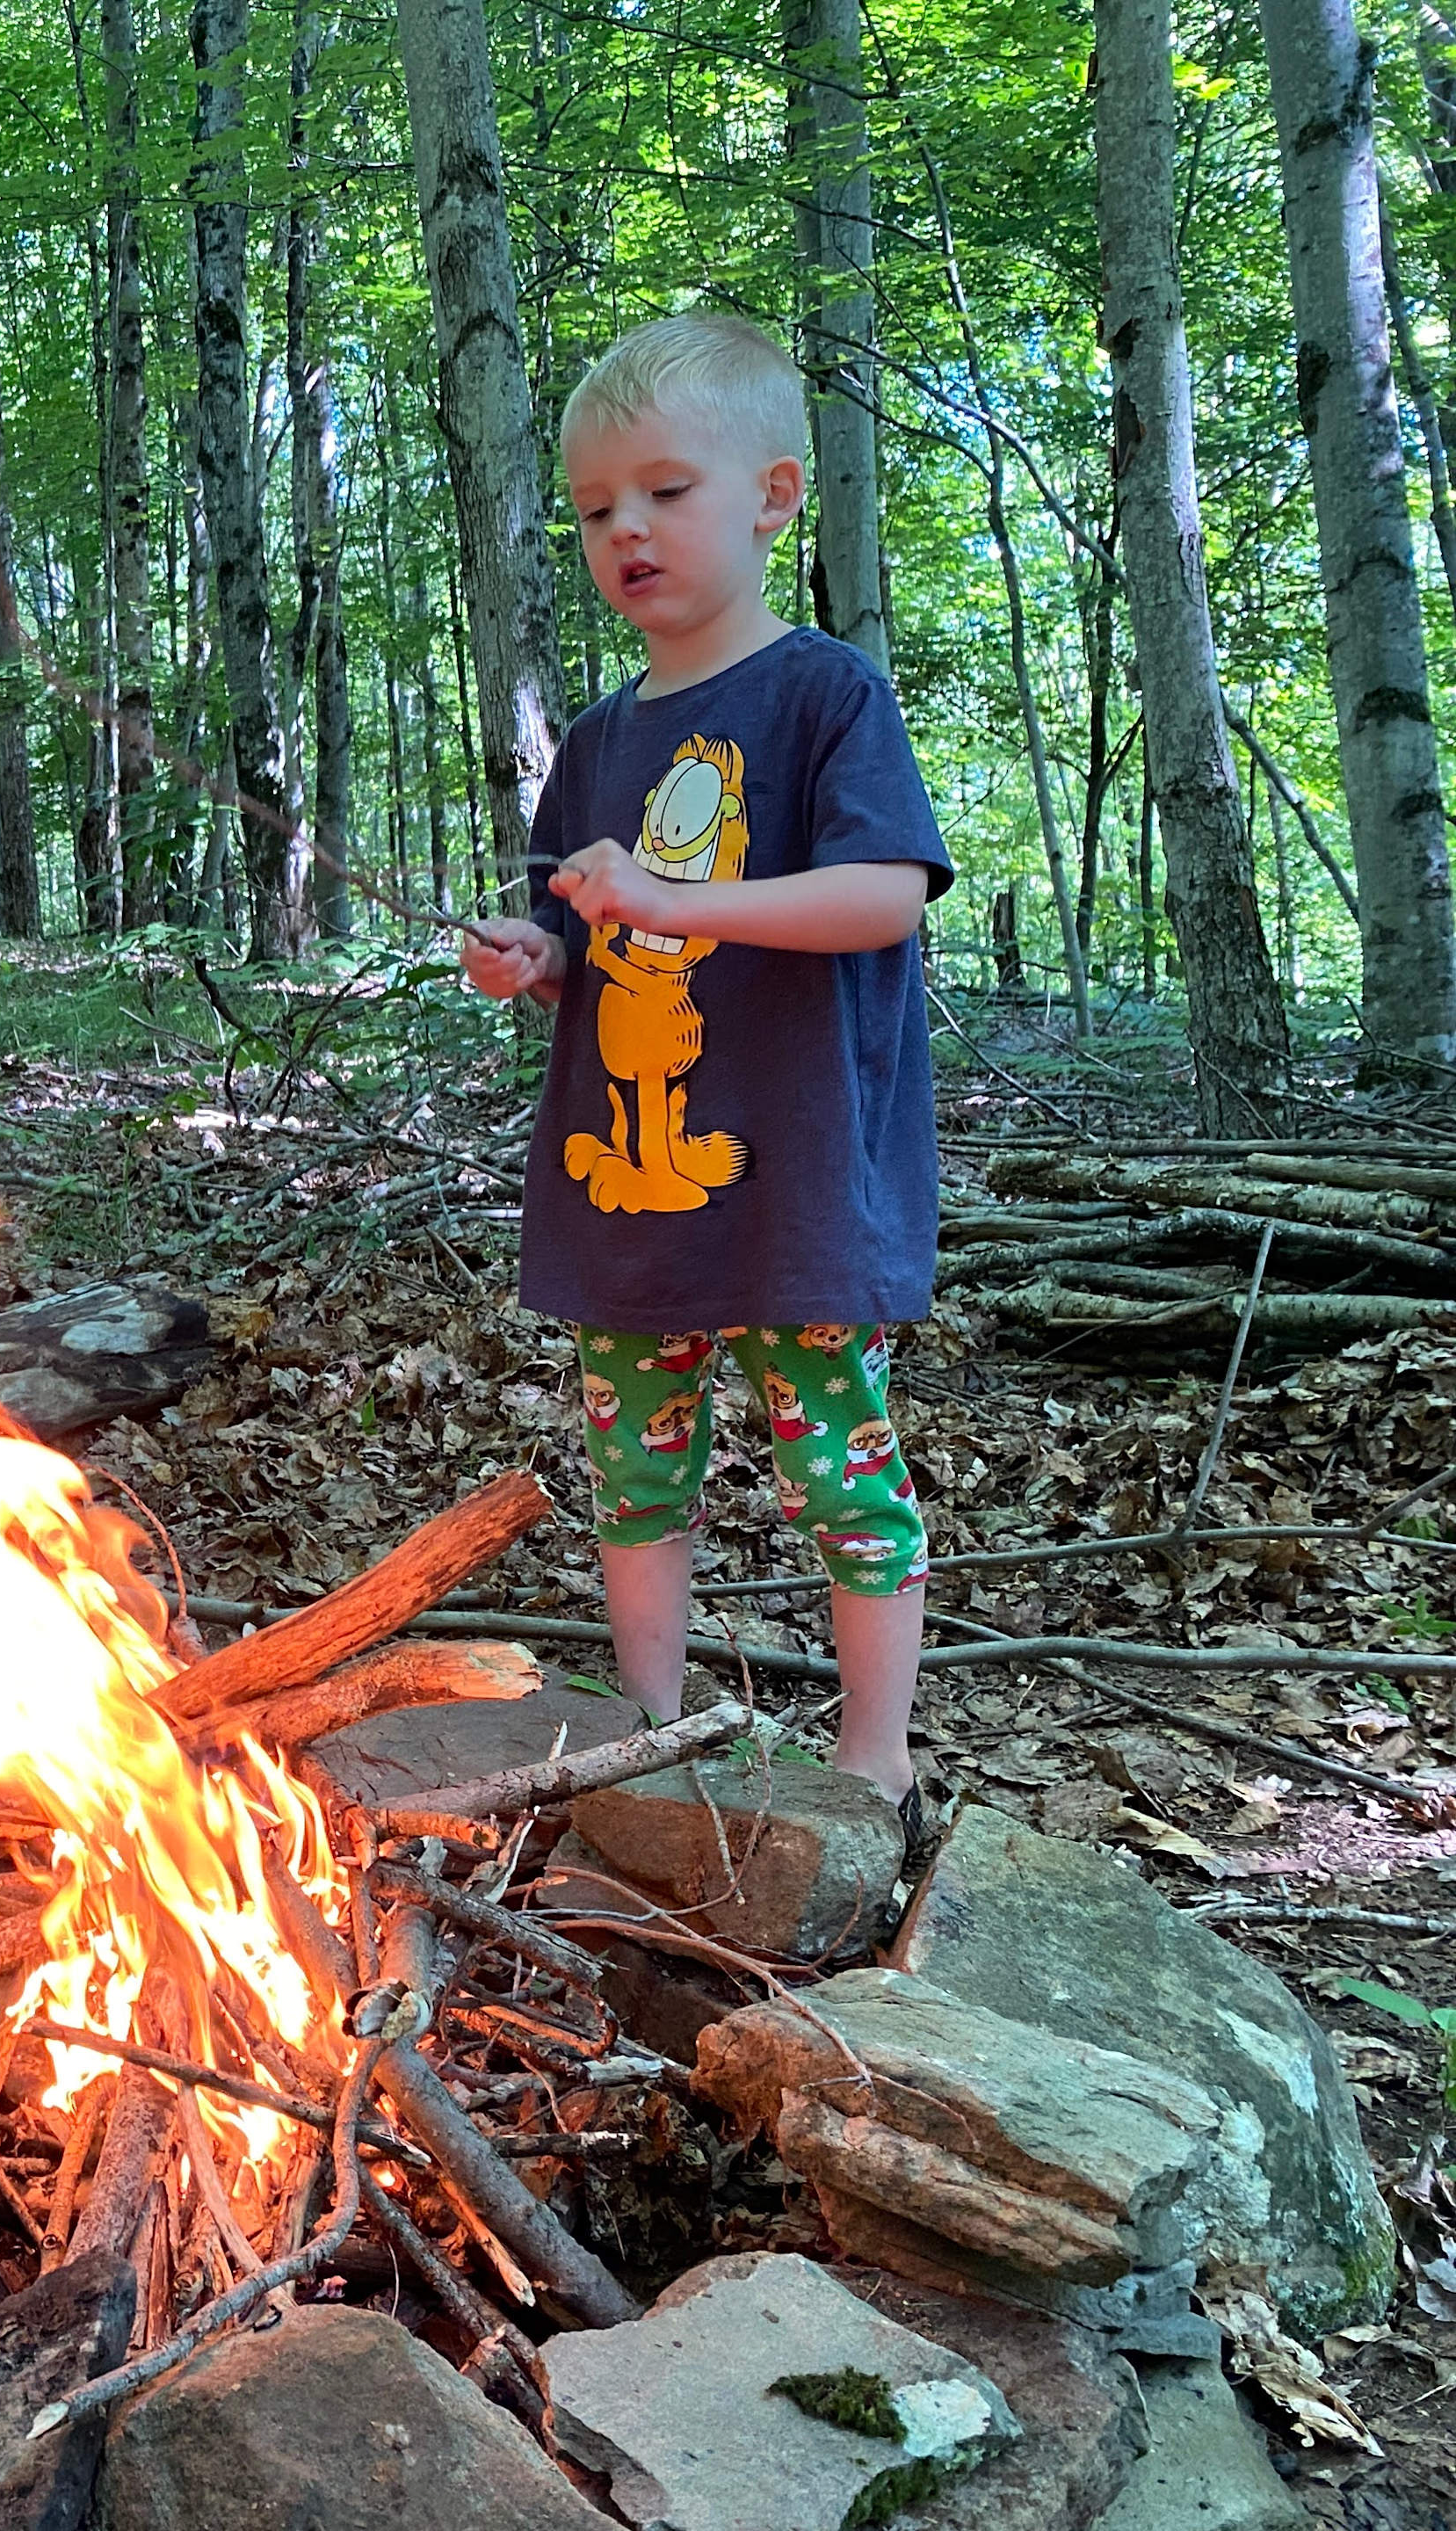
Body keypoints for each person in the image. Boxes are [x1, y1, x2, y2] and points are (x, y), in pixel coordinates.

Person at [456, 308, 953, 1824]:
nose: (629, 532)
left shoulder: (825, 698)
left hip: (793, 1185)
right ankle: (646, 1731)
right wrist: (532, 957)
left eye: (667, 491)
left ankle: (872, 1756)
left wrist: (676, 900)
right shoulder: (599, 741)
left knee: (842, 1478)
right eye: (599, 508)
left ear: (774, 496)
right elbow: (580, 943)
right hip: (632, 1195)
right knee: (636, 1477)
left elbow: (884, 895)